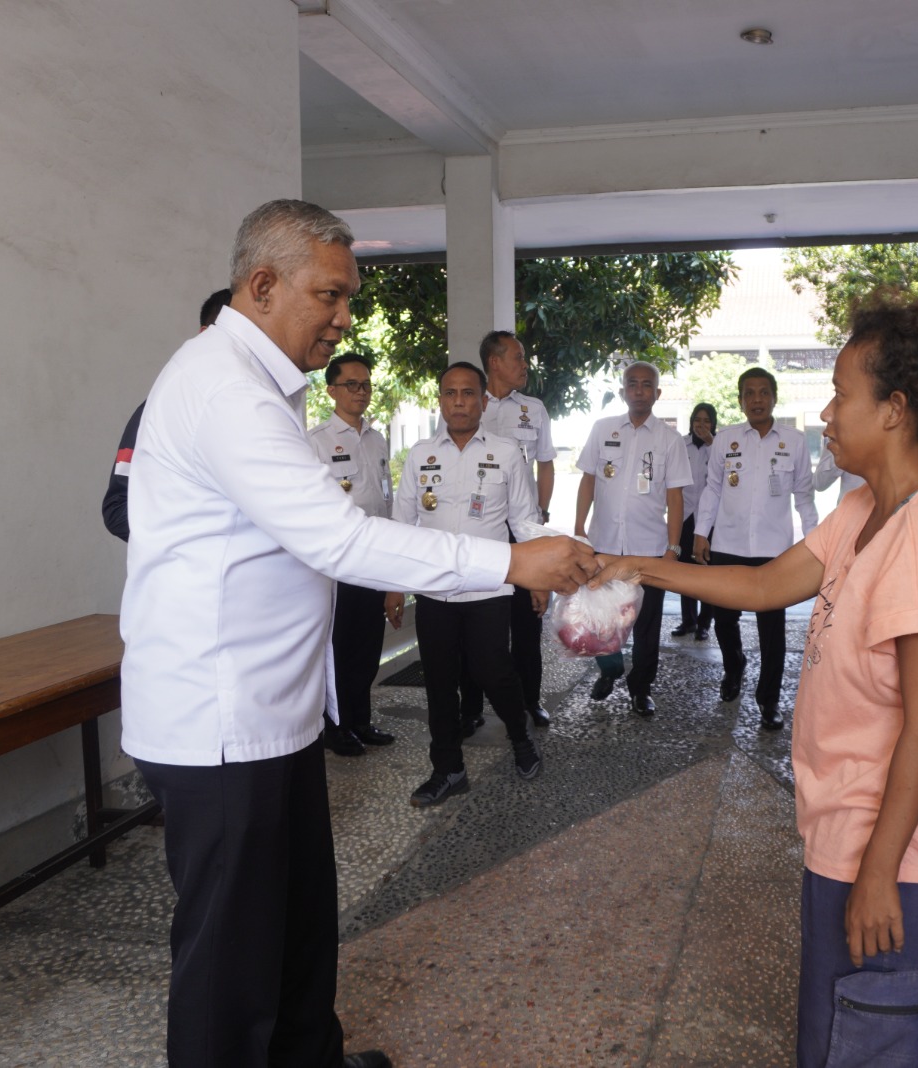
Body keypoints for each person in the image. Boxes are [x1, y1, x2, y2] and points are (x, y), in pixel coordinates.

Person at [120, 200, 595, 1068]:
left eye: (348, 298)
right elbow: (340, 538)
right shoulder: (223, 390)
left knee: (300, 922)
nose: (346, 318)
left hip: (275, 719)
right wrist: (511, 564)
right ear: (262, 285)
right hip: (221, 724)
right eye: (330, 296)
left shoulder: (259, 386)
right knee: (231, 966)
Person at [594, 289, 918, 1068]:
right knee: (835, 1037)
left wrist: (881, 872)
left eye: (843, 395)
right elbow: (762, 585)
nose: (826, 411)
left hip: (909, 860)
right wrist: (636, 566)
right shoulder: (863, 508)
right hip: (849, 834)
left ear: (894, 409)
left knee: (873, 1041)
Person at [385, 361, 546, 806]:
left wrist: (537, 579)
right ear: (440, 400)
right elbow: (403, 525)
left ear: (482, 399)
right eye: (451, 393)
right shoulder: (420, 455)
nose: (460, 402)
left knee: (494, 671)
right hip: (435, 590)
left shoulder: (507, 453)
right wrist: (395, 585)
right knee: (438, 682)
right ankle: (448, 769)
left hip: (488, 586)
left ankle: (520, 737)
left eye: (469, 393)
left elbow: (525, 521)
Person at [693, 367, 819, 730]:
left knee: (772, 628)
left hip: (774, 550)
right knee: (724, 618)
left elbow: (804, 498)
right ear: (740, 401)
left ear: (774, 398)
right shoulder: (726, 440)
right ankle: (734, 668)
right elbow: (713, 488)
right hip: (728, 544)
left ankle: (769, 698)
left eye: (764, 392)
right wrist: (702, 533)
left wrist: (815, 543)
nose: (757, 400)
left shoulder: (793, 442)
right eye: (749, 393)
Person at [574, 361, 691, 716]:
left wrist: (673, 548)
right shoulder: (602, 429)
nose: (639, 390)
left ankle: (641, 689)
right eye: (632, 384)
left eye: (646, 385)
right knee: (602, 619)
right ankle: (609, 671)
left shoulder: (669, 440)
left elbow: (675, 497)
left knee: (646, 624)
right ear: (623, 390)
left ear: (657, 393)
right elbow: (588, 481)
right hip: (605, 545)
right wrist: (580, 532)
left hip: (649, 550)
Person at [457, 330, 557, 730]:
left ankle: (530, 700)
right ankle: (471, 708)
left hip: (520, 528)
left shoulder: (532, 409)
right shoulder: (469, 405)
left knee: (526, 618)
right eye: (518, 357)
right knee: (471, 615)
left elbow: (546, 462)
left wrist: (541, 511)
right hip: (478, 529)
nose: (524, 364)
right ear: (495, 362)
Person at [307, 352, 396, 757]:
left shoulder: (377, 439)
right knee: (340, 646)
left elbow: (385, 498)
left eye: (365, 385)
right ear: (331, 391)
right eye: (351, 385)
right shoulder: (317, 441)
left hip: (374, 555)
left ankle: (360, 718)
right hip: (339, 560)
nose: (361, 392)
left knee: (367, 643)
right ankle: (336, 726)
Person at [102, 288, 230, 541]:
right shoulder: (155, 411)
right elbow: (117, 509)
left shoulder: (255, 410)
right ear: (206, 335)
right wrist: (206, 535)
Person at [672, 402, 717, 640]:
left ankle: (704, 624)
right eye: (697, 420)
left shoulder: (719, 446)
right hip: (685, 515)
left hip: (709, 518)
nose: (701, 425)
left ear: (713, 423)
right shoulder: (681, 444)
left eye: (706, 420)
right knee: (685, 571)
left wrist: (711, 442)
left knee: (706, 571)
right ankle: (688, 621)